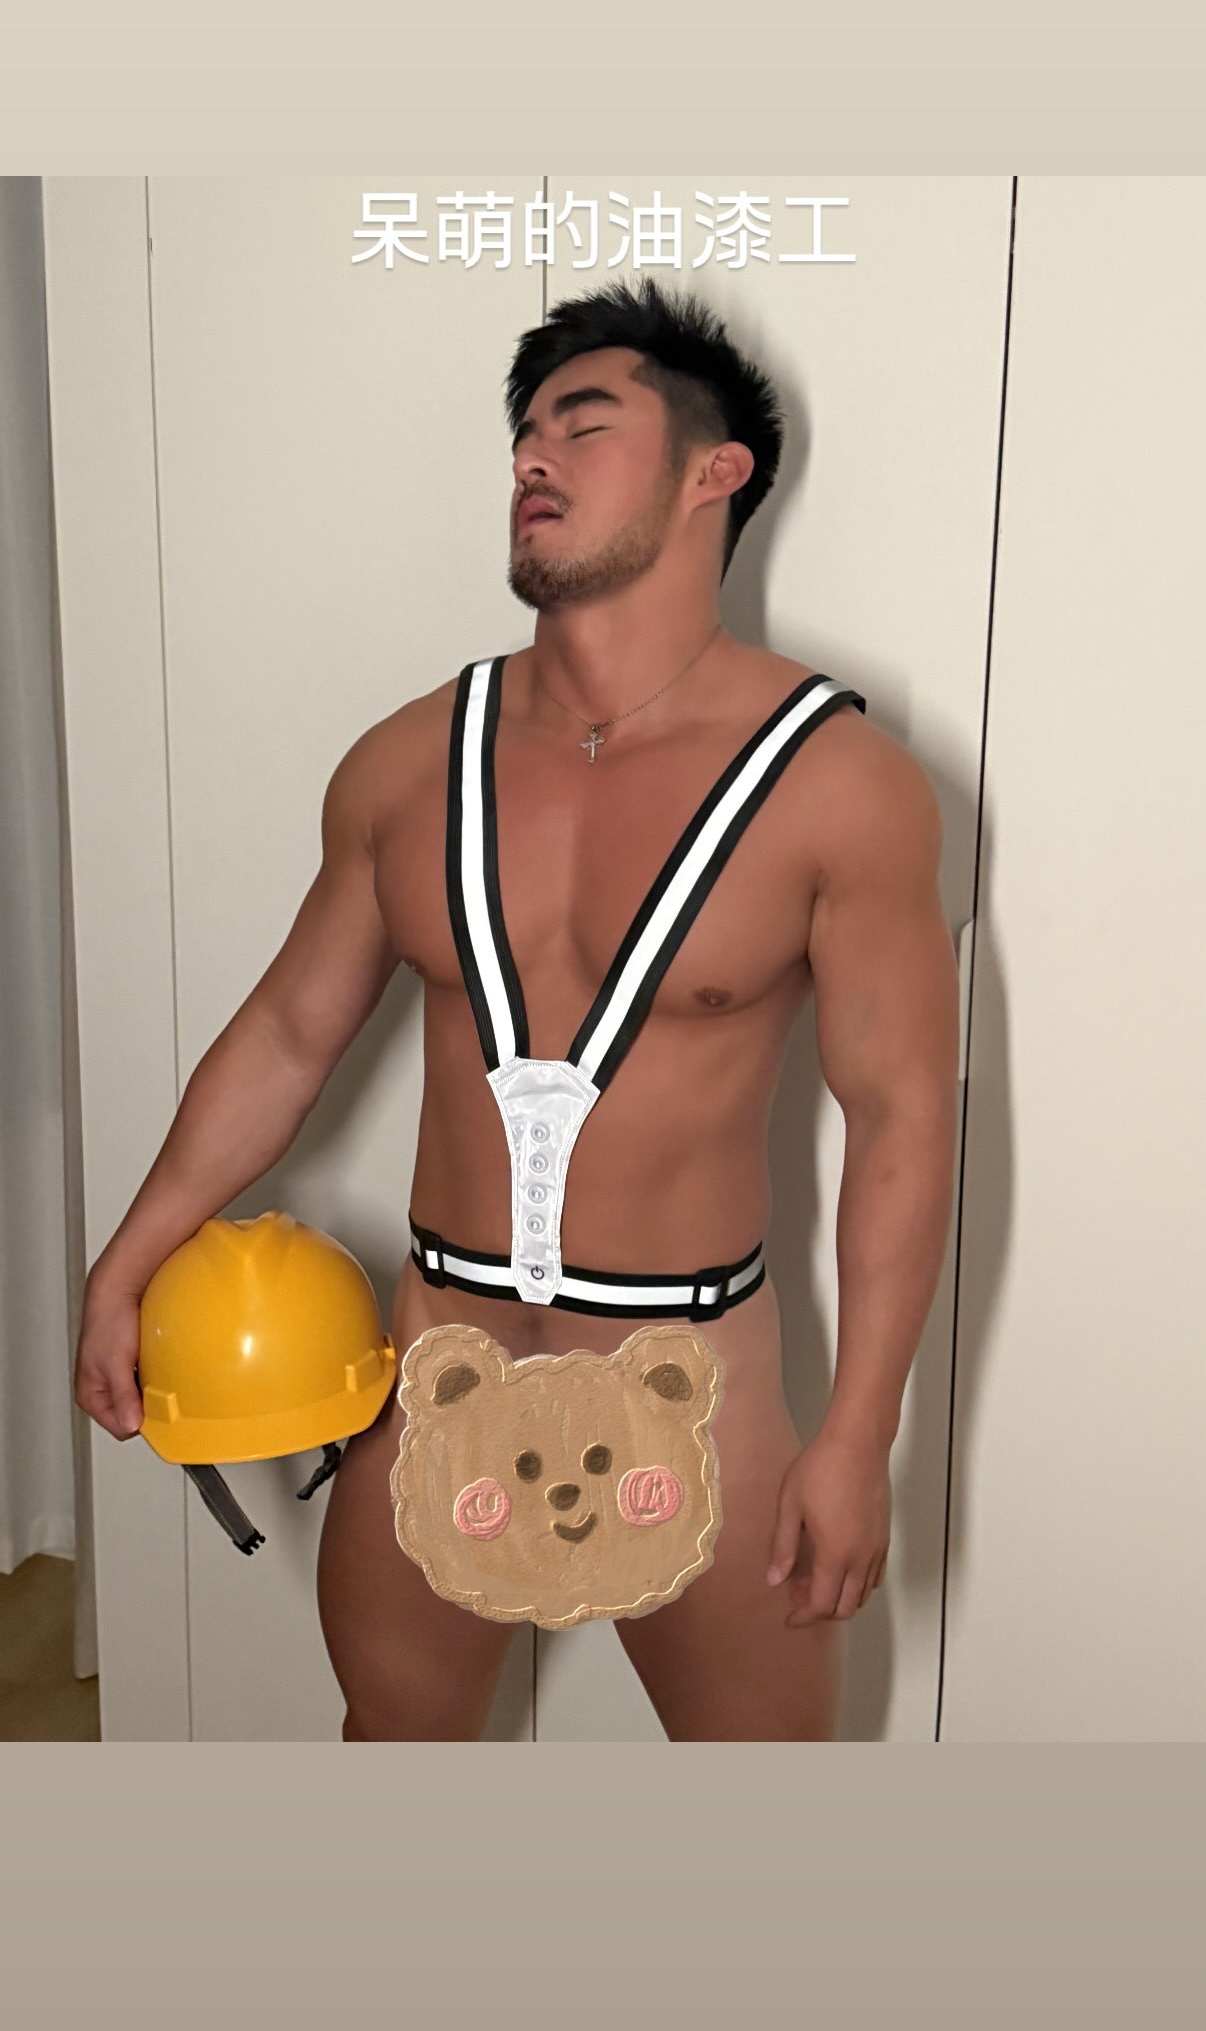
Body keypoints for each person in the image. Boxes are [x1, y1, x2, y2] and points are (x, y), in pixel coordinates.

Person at [75, 275, 960, 1741]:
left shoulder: (840, 784)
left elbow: (902, 1118)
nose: (533, 459)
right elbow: (289, 1035)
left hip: (694, 1394)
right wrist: (129, 1255)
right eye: (523, 435)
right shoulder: (406, 762)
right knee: (396, 1769)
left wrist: (859, 1435)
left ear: (713, 473)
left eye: (582, 424)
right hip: (441, 1375)